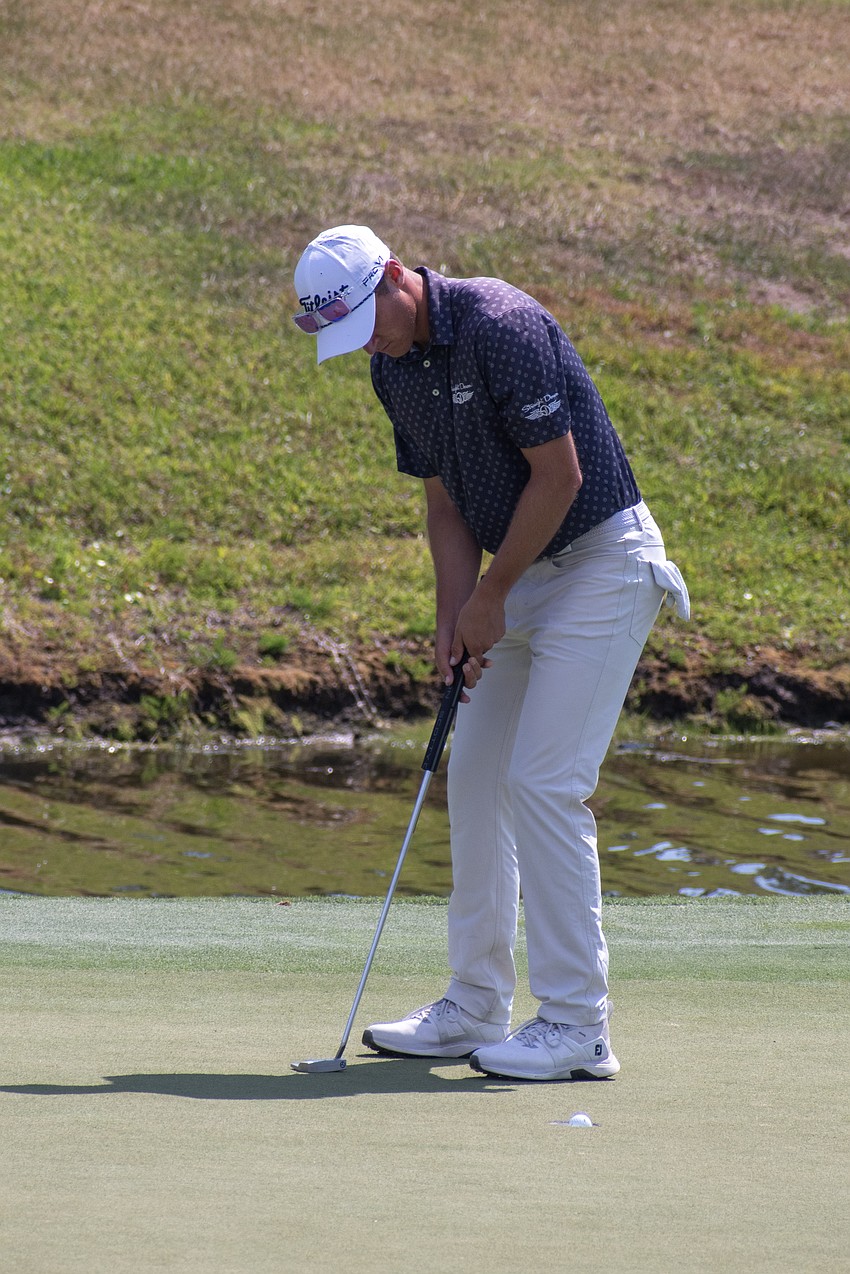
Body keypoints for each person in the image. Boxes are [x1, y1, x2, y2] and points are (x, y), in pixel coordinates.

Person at [292, 224, 690, 1081]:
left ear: (398, 277)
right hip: (514, 575)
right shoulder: (391, 366)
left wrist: (491, 596)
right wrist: (454, 614)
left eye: (372, 321)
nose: (372, 343)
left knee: (544, 782)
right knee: (474, 772)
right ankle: (475, 1003)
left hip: (600, 563)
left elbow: (561, 479)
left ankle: (579, 1026)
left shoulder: (501, 324)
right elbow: (444, 500)